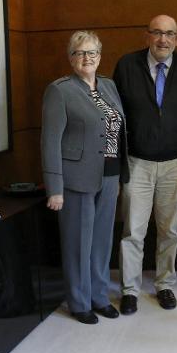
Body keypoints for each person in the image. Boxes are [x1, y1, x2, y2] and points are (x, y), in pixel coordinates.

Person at [41, 31, 128, 325]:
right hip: (76, 178)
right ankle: (79, 302)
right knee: (78, 242)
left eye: (92, 53)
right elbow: (50, 141)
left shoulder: (109, 85)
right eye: (79, 53)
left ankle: (100, 297)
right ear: (70, 58)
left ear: (100, 57)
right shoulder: (59, 90)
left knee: (102, 242)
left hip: (110, 175)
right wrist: (55, 188)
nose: (86, 58)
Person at [114, 15, 177, 314]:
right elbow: (114, 114)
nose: (163, 40)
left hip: (175, 164)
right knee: (133, 231)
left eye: (170, 34)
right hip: (137, 163)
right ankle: (130, 290)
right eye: (157, 33)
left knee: (169, 230)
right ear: (146, 36)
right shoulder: (126, 65)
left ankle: (164, 284)